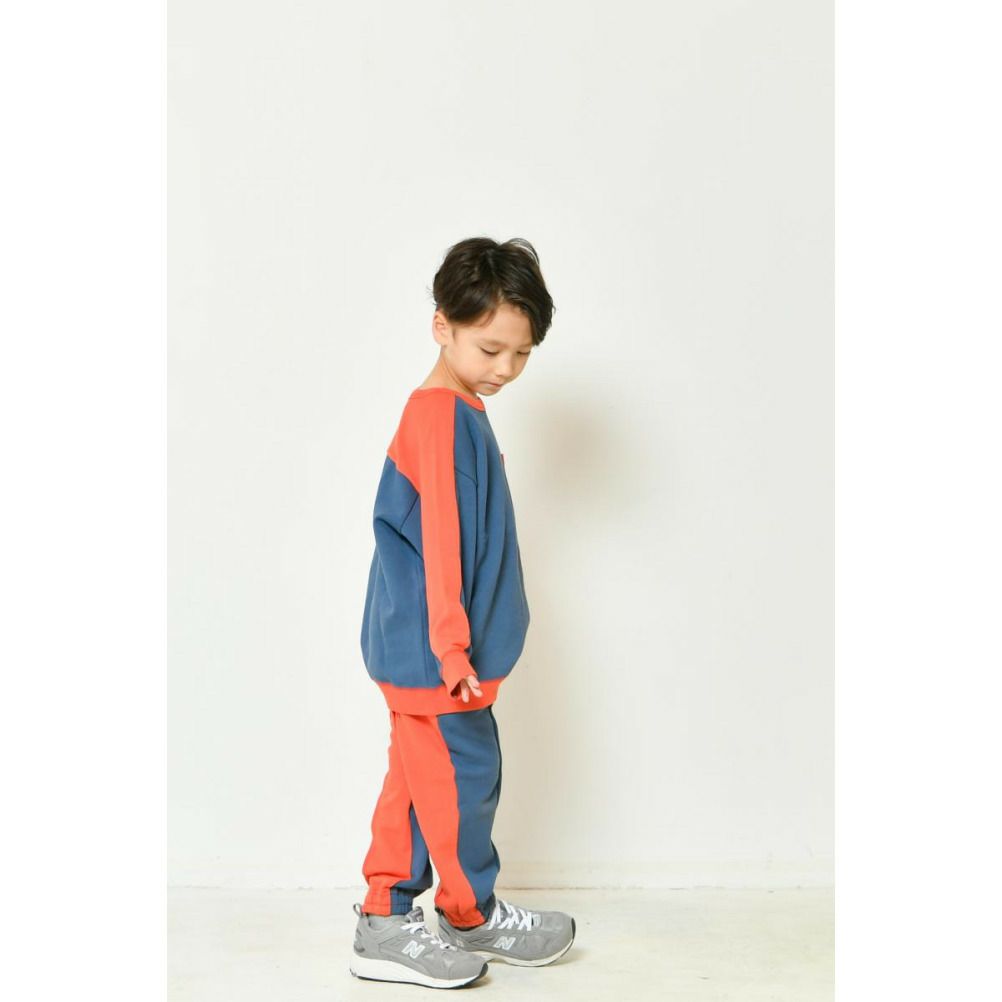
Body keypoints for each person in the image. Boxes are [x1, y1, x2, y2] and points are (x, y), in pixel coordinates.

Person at [349, 237, 576, 989]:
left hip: (422, 648)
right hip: (434, 654)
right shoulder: (441, 417)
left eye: (522, 353)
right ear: (441, 325)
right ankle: (469, 912)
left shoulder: (457, 412)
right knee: (464, 777)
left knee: (419, 782)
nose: (505, 368)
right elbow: (443, 540)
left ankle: (385, 916)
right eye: (490, 349)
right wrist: (453, 649)